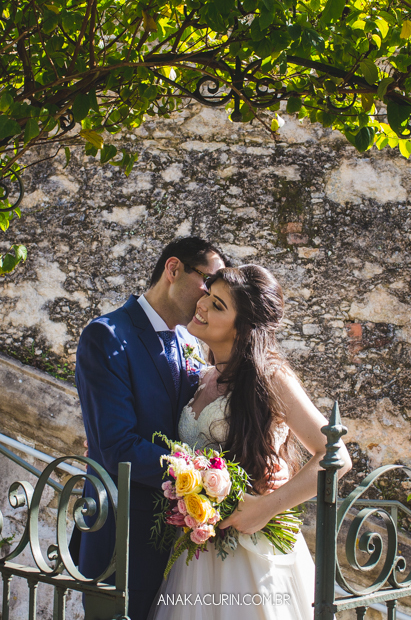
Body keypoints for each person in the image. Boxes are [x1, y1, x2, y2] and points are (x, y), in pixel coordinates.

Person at [149, 264, 351, 620]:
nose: (203, 306)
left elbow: (335, 456)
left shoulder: (270, 376)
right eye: (208, 297)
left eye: (218, 305)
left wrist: (266, 507)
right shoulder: (202, 375)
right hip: (196, 553)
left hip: (252, 555)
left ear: (242, 329)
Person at [73, 237, 228, 620]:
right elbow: (117, 446)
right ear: (173, 269)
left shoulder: (190, 342)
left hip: (186, 545)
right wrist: (200, 475)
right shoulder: (107, 336)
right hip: (125, 536)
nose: (208, 300)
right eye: (207, 285)